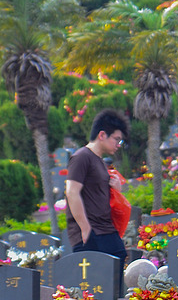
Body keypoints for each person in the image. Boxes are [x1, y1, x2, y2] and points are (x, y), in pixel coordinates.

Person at [65, 109, 130, 262]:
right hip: (90, 232)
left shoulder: (99, 161)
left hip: (105, 229)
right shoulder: (81, 157)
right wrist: (85, 227)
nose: (118, 145)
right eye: (117, 139)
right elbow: (72, 192)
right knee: (98, 275)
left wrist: (116, 190)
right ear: (102, 135)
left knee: (119, 260)